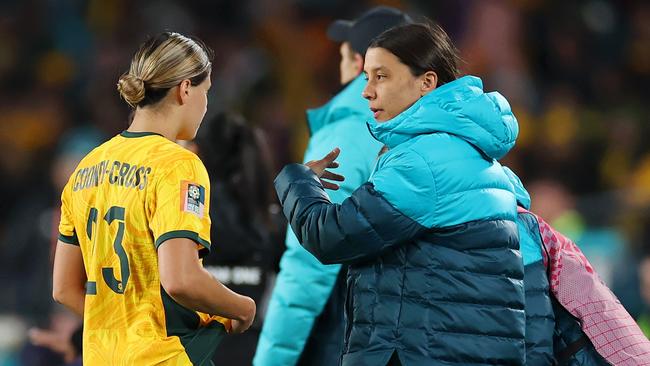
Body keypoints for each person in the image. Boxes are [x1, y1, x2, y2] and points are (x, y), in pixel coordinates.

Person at [274, 22, 524, 365]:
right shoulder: (469, 153)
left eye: (382, 76)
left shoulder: (423, 162)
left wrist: (298, 180)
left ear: (427, 82)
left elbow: (331, 235)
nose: (366, 92)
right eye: (366, 78)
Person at [52, 32, 256, 365]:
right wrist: (243, 307)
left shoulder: (86, 167)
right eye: (206, 93)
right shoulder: (178, 164)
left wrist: (120, 329)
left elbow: (63, 288)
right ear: (186, 89)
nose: (206, 106)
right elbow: (181, 280)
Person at [254, 6, 411, 366]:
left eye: (343, 51)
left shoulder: (348, 129)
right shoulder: (425, 128)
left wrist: (270, 360)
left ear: (360, 63)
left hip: (346, 333)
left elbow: (308, 262)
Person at [189, 112, 285, 366]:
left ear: (198, 154)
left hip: (191, 350)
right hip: (254, 352)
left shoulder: (184, 224)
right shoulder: (274, 225)